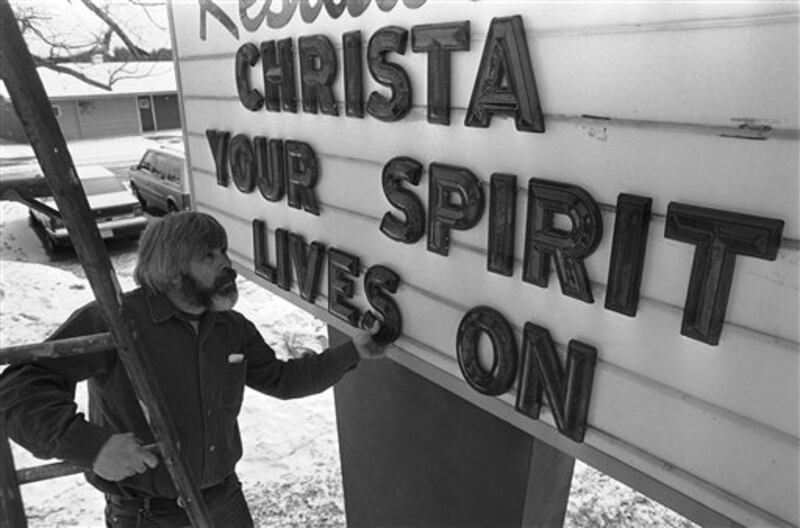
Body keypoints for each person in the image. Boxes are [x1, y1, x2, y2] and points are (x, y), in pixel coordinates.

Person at [0, 211, 386, 527]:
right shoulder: (115, 321)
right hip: (148, 516)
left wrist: (352, 351)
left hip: (226, 504)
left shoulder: (230, 329)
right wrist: (91, 445)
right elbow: (20, 386)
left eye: (222, 251)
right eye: (208, 256)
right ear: (171, 270)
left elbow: (282, 380)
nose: (226, 264)